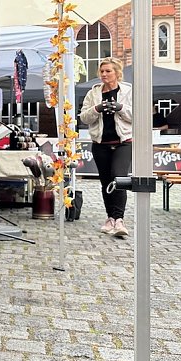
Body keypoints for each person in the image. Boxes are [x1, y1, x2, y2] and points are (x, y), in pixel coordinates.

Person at [79, 57, 133, 237]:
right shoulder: (93, 93)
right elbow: (84, 117)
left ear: (117, 73)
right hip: (100, 144)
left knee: (119, 178)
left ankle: (119, 219)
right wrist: (97, 109)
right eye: (101, 71)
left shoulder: (128, 91)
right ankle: (110, 218)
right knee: (105, 181)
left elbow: (137, 115)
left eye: (108, 71)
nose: (104, 74)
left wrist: (120, 107)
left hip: (123, 142)